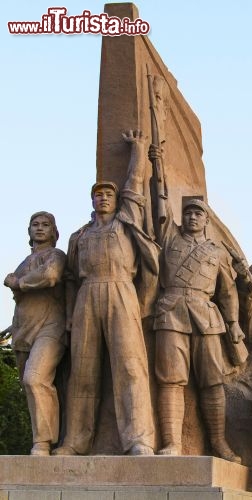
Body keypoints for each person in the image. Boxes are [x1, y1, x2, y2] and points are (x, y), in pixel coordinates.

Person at [54, 130, 157, 456]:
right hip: (87, 294)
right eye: (98, 195)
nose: (103, 198)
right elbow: (70, 278)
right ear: (92, 200)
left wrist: (138, 150)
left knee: (130, 368)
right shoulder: (79, 235)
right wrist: (70, 314)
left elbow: (134, 185)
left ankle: (139, 439)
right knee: (83, 371)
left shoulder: (126, 223)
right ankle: (75, 441)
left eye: (108, 195)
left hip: (121, 291)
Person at [149, 145, 244, 462]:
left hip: (206, 316)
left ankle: (218, 443)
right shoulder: (170, 237)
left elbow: (228, 293)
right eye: (188, 212)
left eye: (198, 213)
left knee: (212, 383)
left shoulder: (217, 252)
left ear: (206, 220)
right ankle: (172, 442)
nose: (192, 217)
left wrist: (234, 328)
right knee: (170, 378)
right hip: (171, 311)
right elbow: (159, 200)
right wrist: (157, 164)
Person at [3, 212, 66, 456]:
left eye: (45, 225)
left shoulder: (56, 256)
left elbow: (50, 276)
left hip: (50, 327)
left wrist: (17, 282)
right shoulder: (24, 262)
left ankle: (44, 442)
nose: (40, 229)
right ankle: (39, 439)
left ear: (53, 231)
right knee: (29, 386)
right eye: (35, 225)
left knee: (35, 378)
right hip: (23, 331)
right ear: (29, 231)